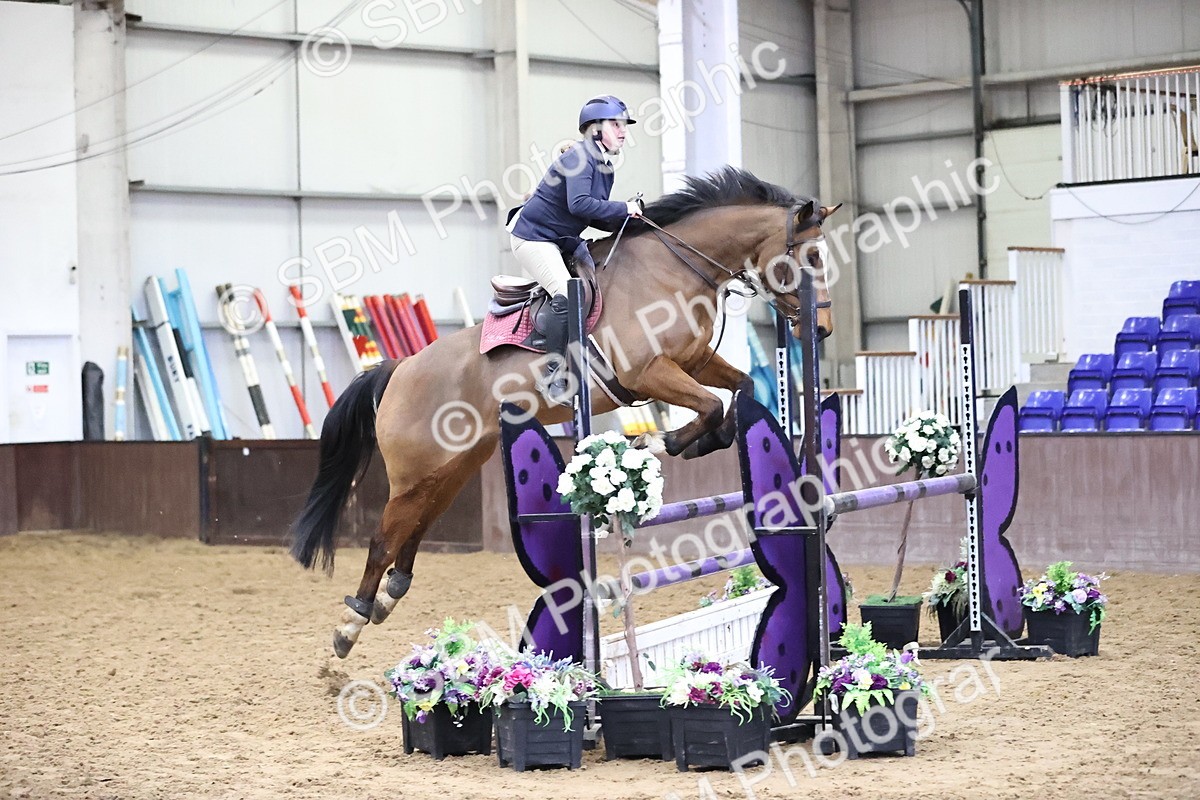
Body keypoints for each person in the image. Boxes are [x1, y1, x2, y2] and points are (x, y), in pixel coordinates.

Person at [508, 94, 641, 403]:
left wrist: (633, 223)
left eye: (624, 126)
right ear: (595, 129)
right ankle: (552, 375)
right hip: (534, 238)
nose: (623, 131)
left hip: (564, 240)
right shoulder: (578, 158)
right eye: (616, 124)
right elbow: (579, 204)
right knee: (568, 296)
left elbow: (595, 215)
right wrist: (624, 207)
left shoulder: (605, 167)